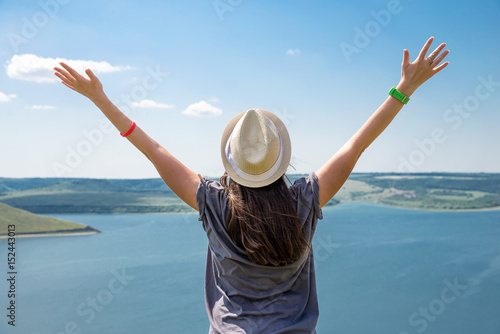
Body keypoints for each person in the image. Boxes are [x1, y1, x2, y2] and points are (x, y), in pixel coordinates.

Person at [54, 36, 449, 333]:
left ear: (230, 162)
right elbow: (356, 145)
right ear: (281, 161)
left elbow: (152, 148)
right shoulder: (305, 200)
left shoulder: (211, 201)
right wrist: (405, 89)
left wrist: (99, 99)